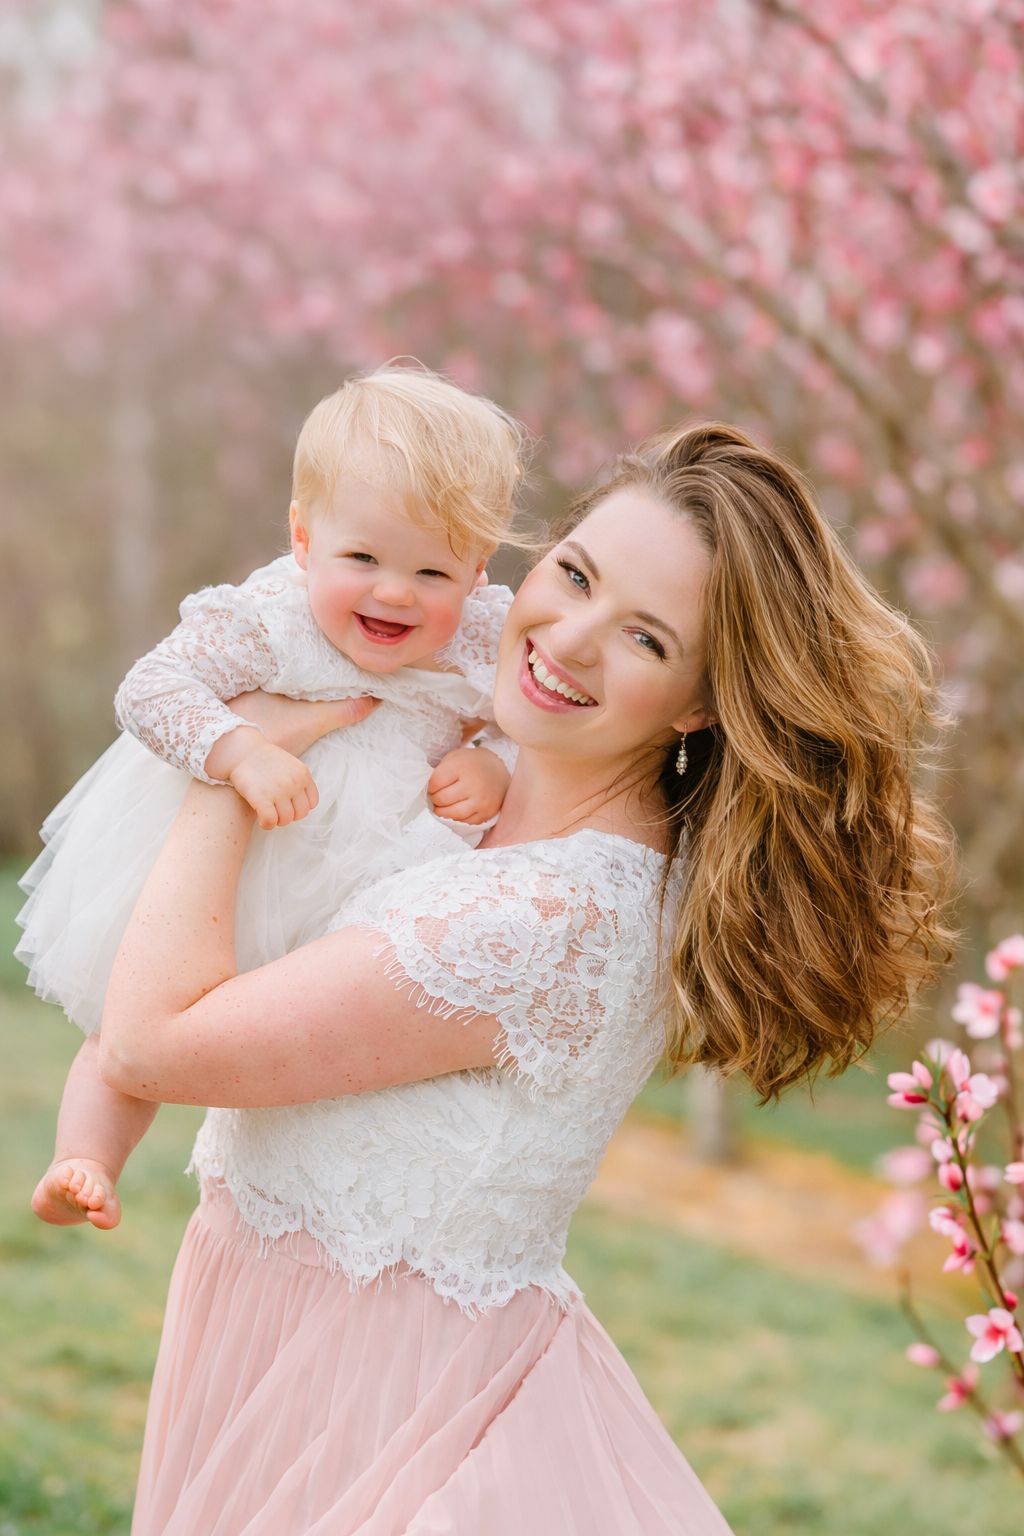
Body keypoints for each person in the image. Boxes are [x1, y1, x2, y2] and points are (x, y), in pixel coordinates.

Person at [99, 423, 953, 1534]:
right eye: (576, 575)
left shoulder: (543, 918)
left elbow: (149, 1046)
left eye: (645, 637)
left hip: (386, 1425)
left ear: (699, 702)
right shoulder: (482, 813)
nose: (570, 638)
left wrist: (231, 758)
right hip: (307, 1370)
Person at [19, 362, 528, 1232]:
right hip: (239, 864)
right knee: (129, 1024)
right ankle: (86, 1159)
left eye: (433, 573)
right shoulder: (267, 620)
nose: (394, 591)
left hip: (368, 883)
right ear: (302, 537)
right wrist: (240, 748)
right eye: (361, 557)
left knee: (302, 1033)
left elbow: (527, 717)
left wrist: (495, 760)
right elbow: (150, 688)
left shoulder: (485, 640)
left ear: (479, 569)